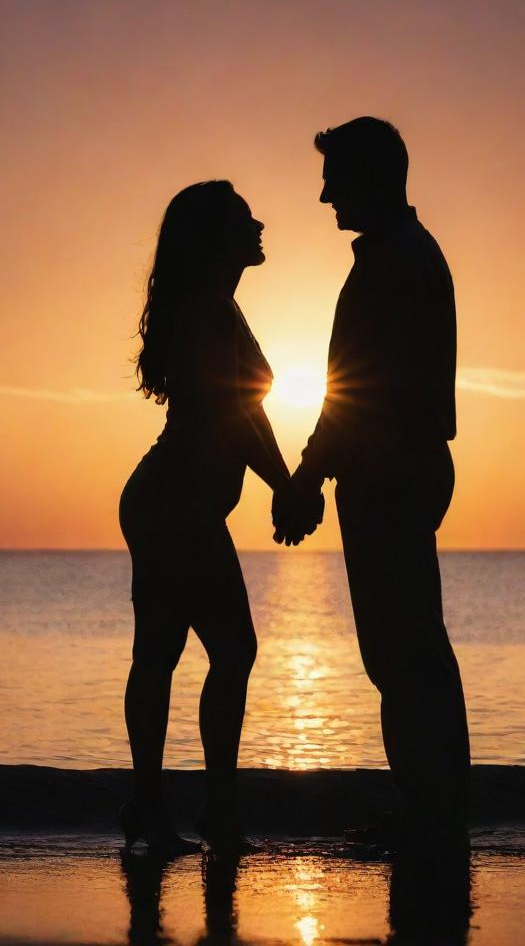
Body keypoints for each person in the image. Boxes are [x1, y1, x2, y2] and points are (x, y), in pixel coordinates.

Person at [274, 117, 471, 853]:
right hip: (396, 468)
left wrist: (307, 473)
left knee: (402, 653)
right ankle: (431, 809)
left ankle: (431, 815)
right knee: (408, 650)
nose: (323, 193)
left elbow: (359, 392)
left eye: (335, 177)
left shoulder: (394, 263)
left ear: (372, 177)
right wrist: (319, 470)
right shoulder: (401, 258)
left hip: (391, 471)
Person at [120, 180, 323, 854]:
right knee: (212, 651)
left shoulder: (219, 308)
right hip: (173, 502)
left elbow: (246, 410)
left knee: (176, 654)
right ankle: (201, 810)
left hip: (178, 503)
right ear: (216, 238)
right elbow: (231, 415)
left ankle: (174, 809)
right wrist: (287, 486)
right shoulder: (208, 310)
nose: (259, 224)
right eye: (244, 220)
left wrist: (286, 483)